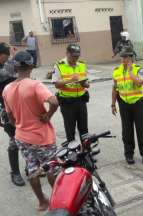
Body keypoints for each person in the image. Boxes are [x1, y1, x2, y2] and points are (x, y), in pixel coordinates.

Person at [2, 51, 59, 211]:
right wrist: (48, 115)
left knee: (32, 169)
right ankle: (57, 201)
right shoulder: (35, 85)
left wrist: (19, 123)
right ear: (32, 65)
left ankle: (42, 202)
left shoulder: (7, 89)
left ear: (15, 67)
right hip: (41, 136)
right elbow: (54, 101)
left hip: (22, 136)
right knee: (51, 168)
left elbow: (10, 117)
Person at [111, 46, 143, 164]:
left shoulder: (138, 69)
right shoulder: (116, 71)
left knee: (141, 130)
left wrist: (129, 71)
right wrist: (113, 104)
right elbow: (115, 89)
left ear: (131, 57)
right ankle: (129, 154)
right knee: (127, 131)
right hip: (124, 103)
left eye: (126, 57)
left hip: (138, 103)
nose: (123, 59)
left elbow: (139, 82)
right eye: (122, 57)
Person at [52, 44, 90, 142]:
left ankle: (86, 152)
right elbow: (56, 84)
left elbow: (86, 83)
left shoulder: (81, 64)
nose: (75, 59)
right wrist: (70, 80)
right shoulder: (59, 65)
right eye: (73, 56)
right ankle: (72, 153)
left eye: (77, 56)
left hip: (81, 101)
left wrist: (84, 84)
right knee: (70, 130)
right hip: (67, 103)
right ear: (67, 53)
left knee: (84, 129)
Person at [0, 42, 25, 186]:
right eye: (5, 56)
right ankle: (15, 173)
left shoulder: (10, 64)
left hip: (20, 106)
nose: (7, 58)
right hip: (5, 108)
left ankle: (31, 167)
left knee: (28, 138)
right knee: (14, 140)